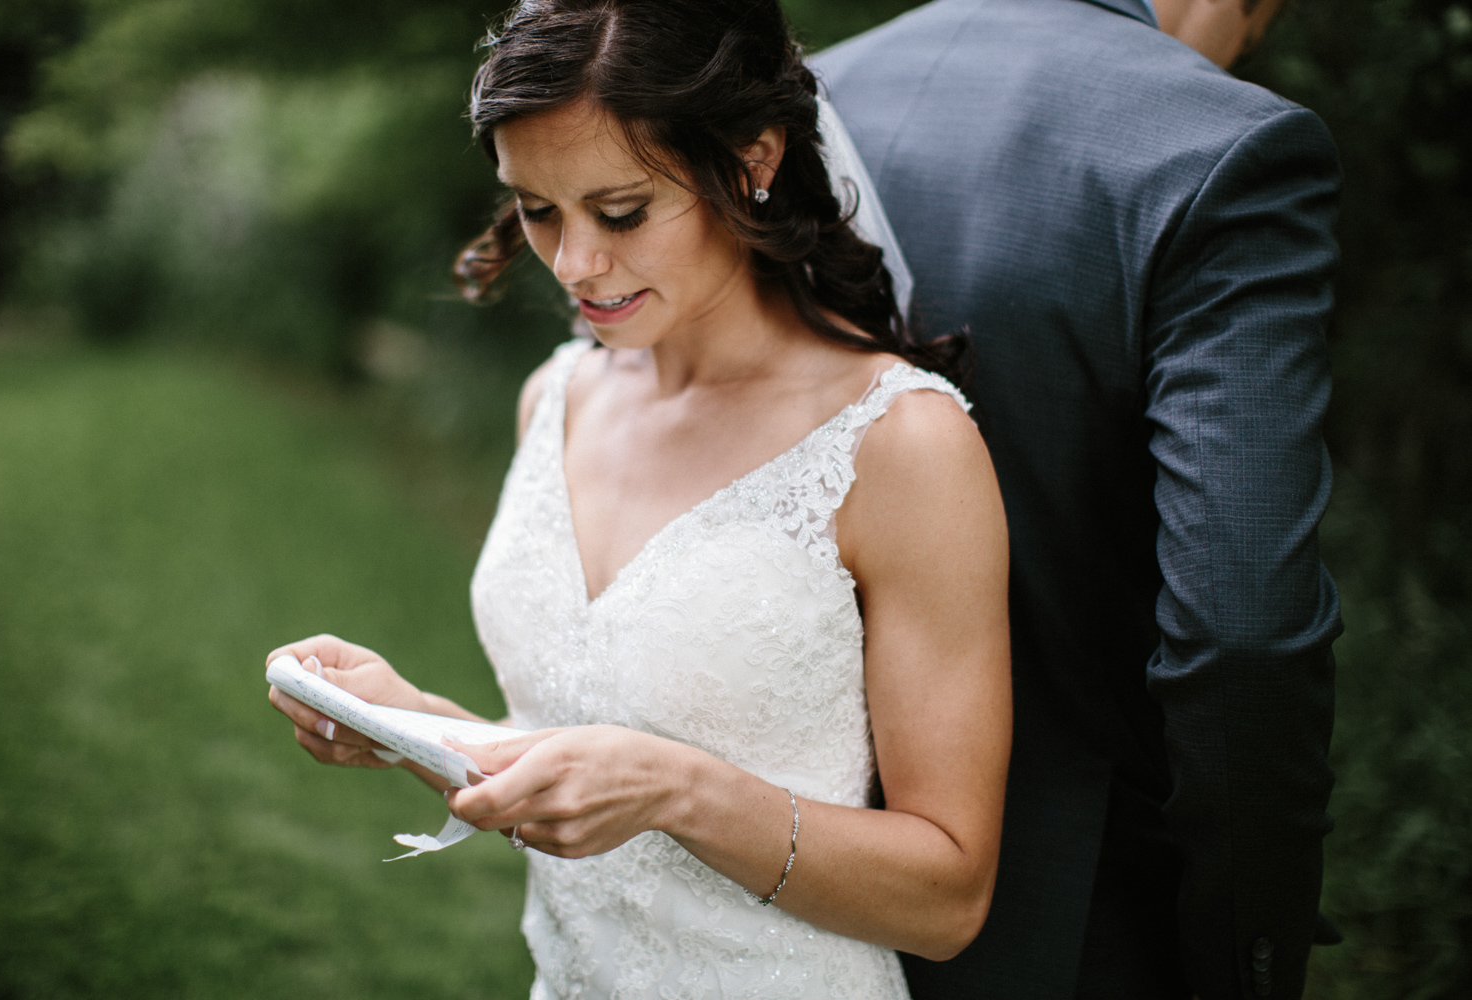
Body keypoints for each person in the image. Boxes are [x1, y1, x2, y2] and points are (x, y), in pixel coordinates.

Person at [266, 1, 1013, 997]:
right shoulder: (557, 396)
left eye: (620, 212)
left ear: (752, 158)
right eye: (537, 210)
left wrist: (681, 788)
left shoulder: (903, 444)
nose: (575, 263)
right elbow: (585, 745)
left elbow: (949, 896)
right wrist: (421, 726)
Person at [815, 0, 1342, 998]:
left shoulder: (807, 91)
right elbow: (1242, 634)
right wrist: (1251, 951)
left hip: (782, 864)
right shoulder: (1227, 147)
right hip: (1079, 922)